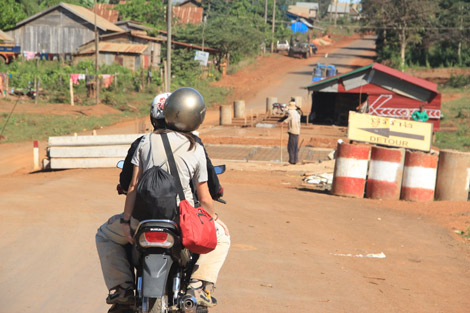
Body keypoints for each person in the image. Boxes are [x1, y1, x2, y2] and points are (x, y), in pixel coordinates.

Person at [96, 88, 230, 313]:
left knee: (104, 234)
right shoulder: (195, 146)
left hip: (143, 221)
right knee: (222, 237)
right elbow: (205, 198)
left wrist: (127, 221)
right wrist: (214, 218)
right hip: (182, 223)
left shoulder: (145, 142)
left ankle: (122, 289)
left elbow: (132, 186)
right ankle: (197, 287)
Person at [283, 99, 301, 165]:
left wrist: (284, 121)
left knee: (291, 146)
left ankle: (292, 160)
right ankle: (295, 160)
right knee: (295, 147)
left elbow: (289, 117)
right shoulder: (297, 113)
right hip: (297, 131)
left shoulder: (291, 112)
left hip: (292, 131)